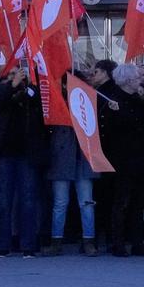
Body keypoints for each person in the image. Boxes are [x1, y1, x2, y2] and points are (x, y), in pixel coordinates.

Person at [0, 67, 48, 257]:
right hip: (4, 154)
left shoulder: (31, 92)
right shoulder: (1, 91)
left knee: (28, 201)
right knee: (4, 201)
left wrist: (29, 87)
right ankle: (3, 245)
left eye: (20, 73)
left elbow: (41, 108)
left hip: (26, 155)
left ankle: (28, 245)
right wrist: (11, 86)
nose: (17, 77)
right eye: (13, 73)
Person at [97, 62, 144, 256]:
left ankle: (137, 242)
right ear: (128, 80)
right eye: (137, 77)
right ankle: (117, 243)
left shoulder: (137, 99)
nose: (141, 79)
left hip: (140, 158)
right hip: (121, 160)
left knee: (139, 202)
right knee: (121, 202)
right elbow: (108, 132)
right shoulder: (113, 101)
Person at [45, 77, 99, 257]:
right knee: (60, 203)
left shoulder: (88, 102)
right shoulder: (56, 103)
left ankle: (89, 240)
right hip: (61, 157)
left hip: (83, 157)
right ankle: (56, 240)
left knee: (87, 203)